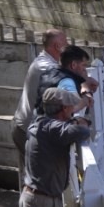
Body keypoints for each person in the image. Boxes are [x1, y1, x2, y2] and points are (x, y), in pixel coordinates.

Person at [12, 29, 68, 174]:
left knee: (33, 178)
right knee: (39, 181)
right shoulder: (45, 64)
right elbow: (61, 75)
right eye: (65, 42)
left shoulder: (46, 62)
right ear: (57, 46)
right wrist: (85, 79)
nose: (67, 45)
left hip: (26, 128)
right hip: (27, 131)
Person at [36, 45, 98, 116]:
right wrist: (86, 99)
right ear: (73, 65)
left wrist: (84, 82)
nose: (85, 69)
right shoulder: (67, 81)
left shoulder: (50, 73)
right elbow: (73, 107)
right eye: (83, 65)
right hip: (54, 124)